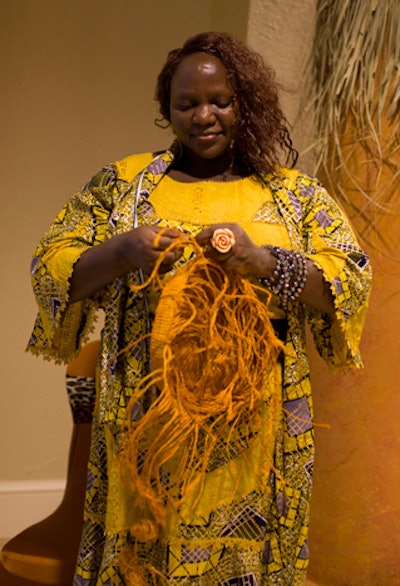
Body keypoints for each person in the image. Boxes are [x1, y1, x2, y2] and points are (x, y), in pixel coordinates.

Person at [27, 31, 372, 586]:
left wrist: (265, 262)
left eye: (220, 101)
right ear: (168, 110)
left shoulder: (294, 196)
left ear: (246, 103)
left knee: (250, 553)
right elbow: (52, 265)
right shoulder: (124, 186)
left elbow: (348, 278)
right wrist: (123, 250)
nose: (203, 116)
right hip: (146, 419)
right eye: (186, 104)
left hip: (262, 421)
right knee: (145, 549)